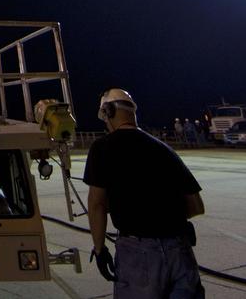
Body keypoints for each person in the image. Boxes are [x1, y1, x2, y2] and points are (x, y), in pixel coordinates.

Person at [84, 88, 205, 298]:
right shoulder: (164, 149)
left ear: (108, 112)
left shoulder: (102, 148)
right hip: (180, 250)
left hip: (138, 255)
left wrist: (99, 249)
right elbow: (196, 206)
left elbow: (97, 205)